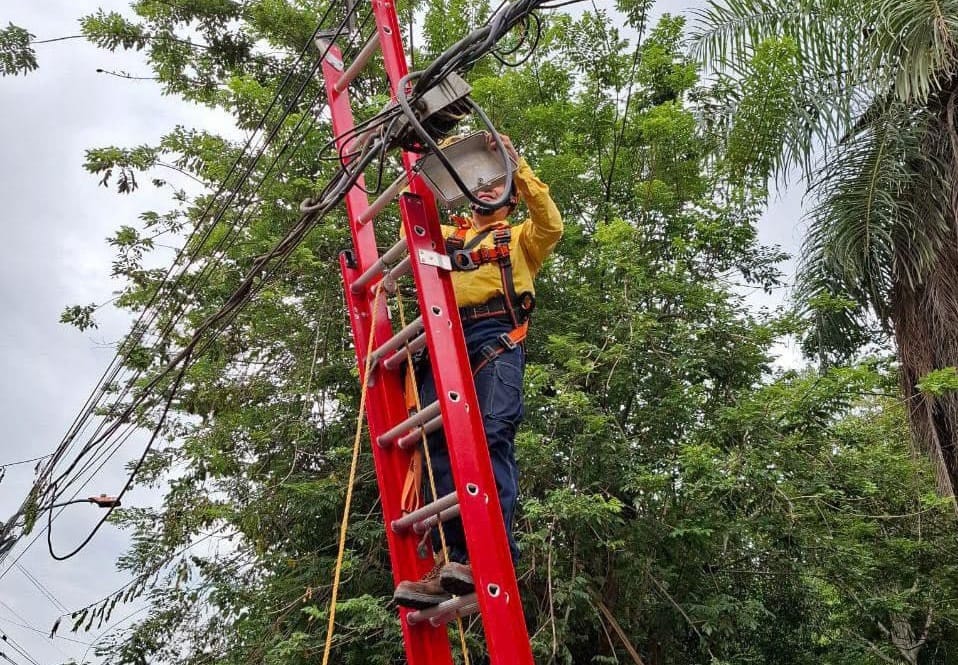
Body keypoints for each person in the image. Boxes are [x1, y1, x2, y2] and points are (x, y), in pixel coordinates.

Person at [393, 132, 562, 609]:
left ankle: (491, 556)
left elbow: (552, 223)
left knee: (491, 435)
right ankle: (456, 561)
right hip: (446, 338)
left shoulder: (522, 237)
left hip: (496, 338)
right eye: (477, 181)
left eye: (494, 182)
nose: (486, 187)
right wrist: (444, 160)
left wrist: (515, 162)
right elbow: (413, 231)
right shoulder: (450, 237)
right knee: (439, 446)